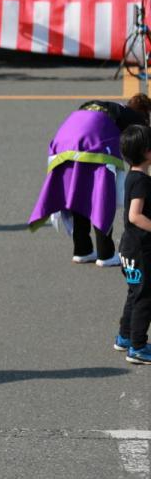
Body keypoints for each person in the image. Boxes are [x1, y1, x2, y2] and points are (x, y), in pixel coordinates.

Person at [29, 95, 151, 266]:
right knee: (101, 198)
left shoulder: (104, 107)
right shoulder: (135, 117)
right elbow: (143, 146)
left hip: (64, 142)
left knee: (78, 194)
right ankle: (106, 254)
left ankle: (82, 250)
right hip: (94, 142)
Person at [118, 125, 151, 364]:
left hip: (129, 247)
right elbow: (134, 215)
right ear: (147, 152)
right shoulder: (142, 182)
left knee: (134, 292)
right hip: (141, 250)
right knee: (145, 297)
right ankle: (138, 346)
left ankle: (125, 337)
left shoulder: (132, 176)